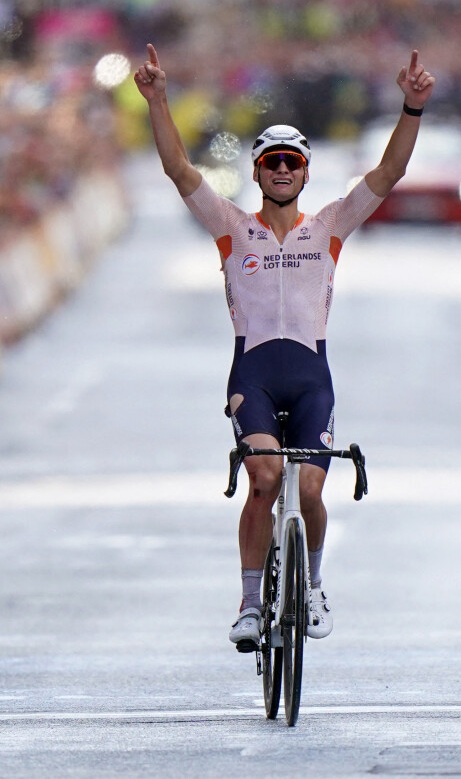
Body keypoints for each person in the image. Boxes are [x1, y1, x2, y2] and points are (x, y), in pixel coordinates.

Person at [135, 43, 435, 651]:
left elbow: (388, 175)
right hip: (254, 375)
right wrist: (158, 100)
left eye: (291, 163)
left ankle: (314, 585)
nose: (281, 171)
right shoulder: (230, 227)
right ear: (256, 172)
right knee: (266, 479)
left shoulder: (327, 227)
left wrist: (411, 107)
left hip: (311, 380)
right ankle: (250, 603)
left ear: (304, 172)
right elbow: (178, 170)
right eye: (271, 162)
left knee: (312, 492)